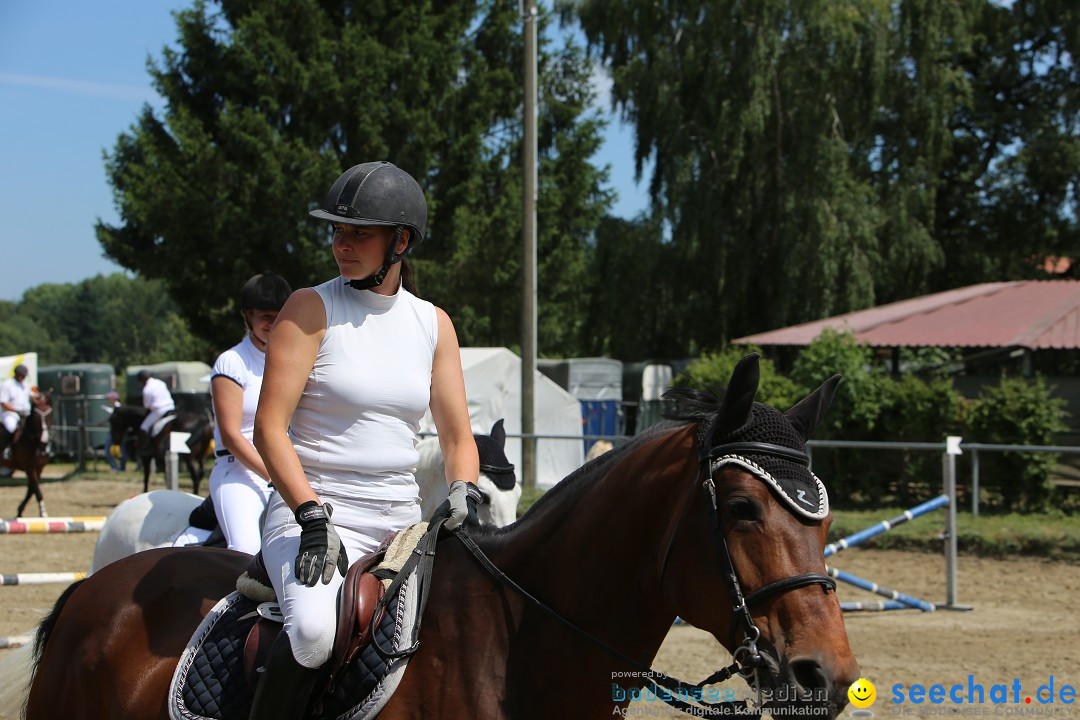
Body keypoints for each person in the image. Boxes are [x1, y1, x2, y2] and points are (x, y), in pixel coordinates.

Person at [251, 161, 480, 720]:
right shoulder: (309, 308)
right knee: (311, 632)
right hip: (312, 513)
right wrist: (309, 513)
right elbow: (268, 429)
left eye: (358, 233)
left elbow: (456, 436)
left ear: (400, 241)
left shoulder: (433, 324)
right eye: (336, 231)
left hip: (402, 520)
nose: (340, 244)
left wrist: (463, 490)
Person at [207, 271, 292, 554]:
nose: (273, 323)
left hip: (285, 471)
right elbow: (231, 435)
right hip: (240, 472)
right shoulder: (232, 362)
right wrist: (274, 475)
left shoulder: (293, 363)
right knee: (245, 548)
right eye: (265, 316)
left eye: (279, 315)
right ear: (248, 317)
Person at [136, 369, 176, 448]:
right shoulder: (160, 382)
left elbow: (147, 407)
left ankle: (145, 446)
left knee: (144, 427)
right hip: (171, 407)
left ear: (142, 380)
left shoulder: (146, 390)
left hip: (159, 411)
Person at [0, 364, 32, 458]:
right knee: (11, 427)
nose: (24, 377)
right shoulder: (7, 385)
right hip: (10, 413)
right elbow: (3, 403)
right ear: (18, 374)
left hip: (25, 413)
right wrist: (17, 411)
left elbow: (32, 396)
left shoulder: (25, 385)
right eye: (23, 375)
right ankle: (6, 448)